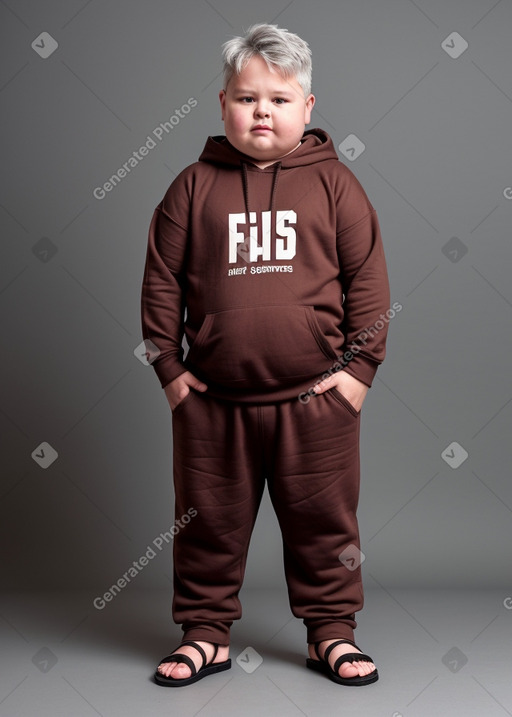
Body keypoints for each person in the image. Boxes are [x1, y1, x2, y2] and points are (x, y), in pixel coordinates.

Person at [141, 22, 390, 688]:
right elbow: (161, 278)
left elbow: (367, 278)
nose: (262, 112)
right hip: (213, 402)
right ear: (223, 104)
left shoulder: (336, 185)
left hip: (316, 400)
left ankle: (331, 632)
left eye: (279, 100)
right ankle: (204, 632)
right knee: (207, 522)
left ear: (307, 108)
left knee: (325, 524)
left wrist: (358, 372)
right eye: (248, 98)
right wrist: (170, 369)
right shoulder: (192, 187)